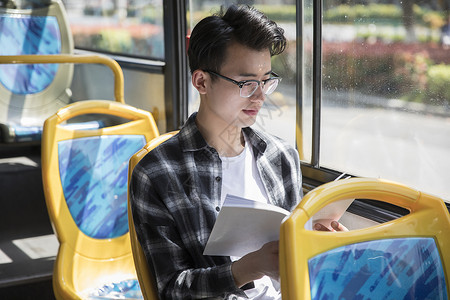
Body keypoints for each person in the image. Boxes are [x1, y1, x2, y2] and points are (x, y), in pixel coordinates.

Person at [130, 4, 344, 299]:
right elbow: (169, 290)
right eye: (245, 83)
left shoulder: (281, 156)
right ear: (202, 81)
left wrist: (322, 245)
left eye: (266, 81)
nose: (259, 97)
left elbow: (293, 258)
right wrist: (247, 269)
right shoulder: (158, 172)